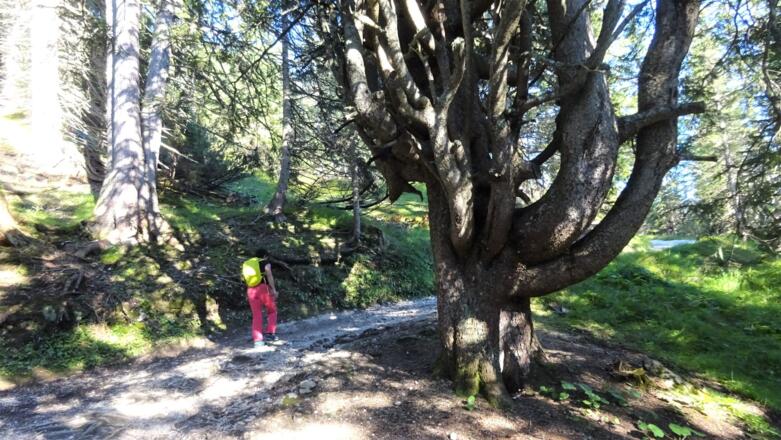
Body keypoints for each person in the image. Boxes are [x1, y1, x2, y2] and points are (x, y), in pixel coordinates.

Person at [242, 248, 280, 348]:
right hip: (263, 288)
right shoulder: (265, 263)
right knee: (272, 310)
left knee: (256, 315)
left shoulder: (248, 264)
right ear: (264, 256)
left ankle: (258, 341)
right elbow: (269, 275)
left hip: (250, 290)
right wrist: (274, 290)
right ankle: (270, 334)